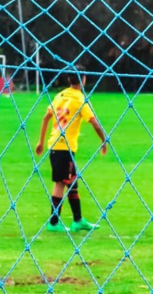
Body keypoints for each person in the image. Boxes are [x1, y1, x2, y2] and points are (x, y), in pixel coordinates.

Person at [35, 66, 107, 232]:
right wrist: (104, 141)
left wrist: (40, 142)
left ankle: (76, 220)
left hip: (54, 144)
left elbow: (46, 118)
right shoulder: (80, 100)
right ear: (83, 79)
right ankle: (56, 222)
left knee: (69, 182)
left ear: (68, 80)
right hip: (64, 148)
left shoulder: (59, 96)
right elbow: (95, 123)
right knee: (64, 183)